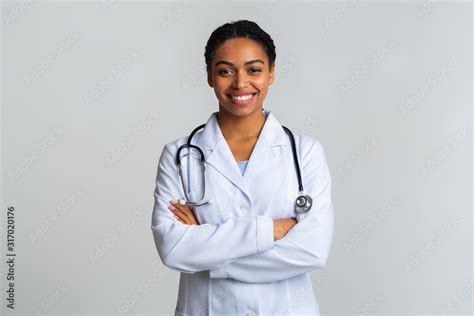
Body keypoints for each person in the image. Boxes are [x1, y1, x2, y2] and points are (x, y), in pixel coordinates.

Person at [151, 19, 334, 316]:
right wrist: (269, 230)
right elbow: (174, 249)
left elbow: (312, 250)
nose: (240, 83)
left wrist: (208, 250)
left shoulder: (305, 153)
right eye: (225, 71)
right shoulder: (180, 155)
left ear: (271, 73)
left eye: (254, 70)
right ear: (210, 76)